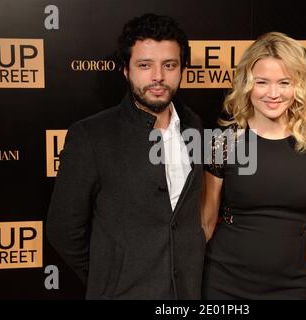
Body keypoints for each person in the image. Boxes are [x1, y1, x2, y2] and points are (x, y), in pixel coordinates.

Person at [47, 13, 206, 299]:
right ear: (126, 70)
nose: (158, 76)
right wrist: (109, 279)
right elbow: (63, 229)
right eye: (145, 65)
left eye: (169, 65)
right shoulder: (91, 135)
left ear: (182, 68)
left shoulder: (194, 126)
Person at [201, 32, 306, 300]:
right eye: (262, 82)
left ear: (298, 85)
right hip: (223, 283)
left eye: (284, 82)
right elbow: (207, 221)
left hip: (290, 286)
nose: (273, 93)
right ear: (247, 84)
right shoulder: (224, 142)